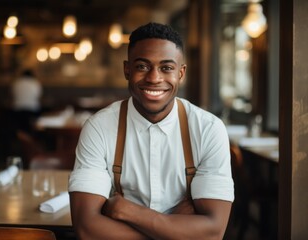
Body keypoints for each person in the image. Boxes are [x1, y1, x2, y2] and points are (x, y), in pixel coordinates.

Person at [68, 22, 234, 239]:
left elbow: (212, 232)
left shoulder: (209, 129)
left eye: (166, 68)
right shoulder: (98, 127)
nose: (154, 78)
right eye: (142, 66)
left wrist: (127, 211)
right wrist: (174, 229)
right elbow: (87, 229)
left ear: (181, 73)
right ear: (127, 70)